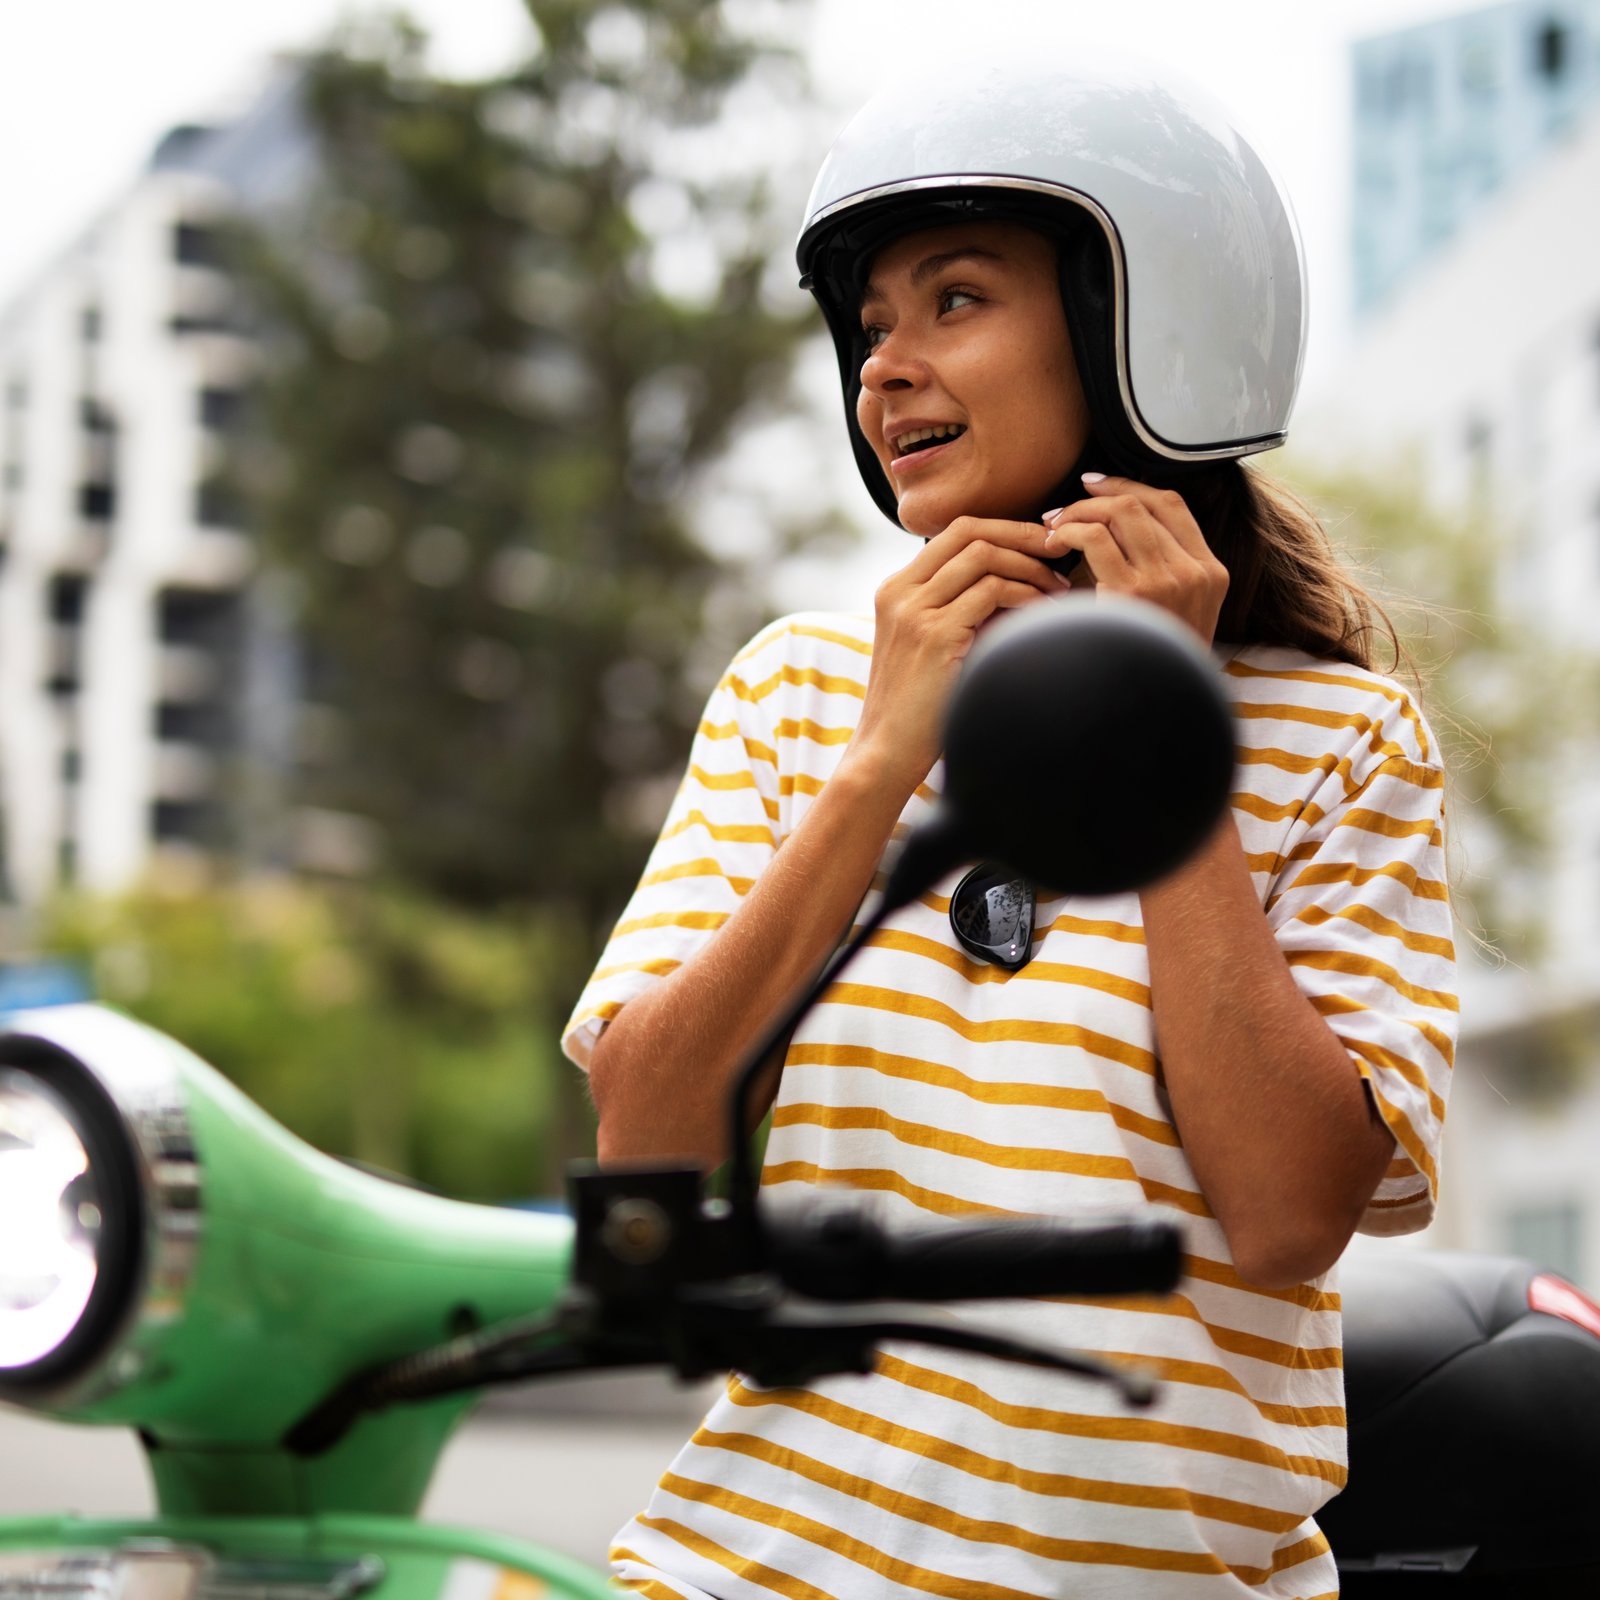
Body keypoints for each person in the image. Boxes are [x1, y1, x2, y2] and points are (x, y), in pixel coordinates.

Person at [562, 54, 1457, 1600]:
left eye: (954, 301)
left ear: (1140, 324)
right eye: (870, 326)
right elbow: (647, 1145)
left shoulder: (1340, 740)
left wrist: (1160, 728)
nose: (884, 369)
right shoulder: (798, 696)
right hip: (750, 1568)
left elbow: (1288, 1210)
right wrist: (880, 758)